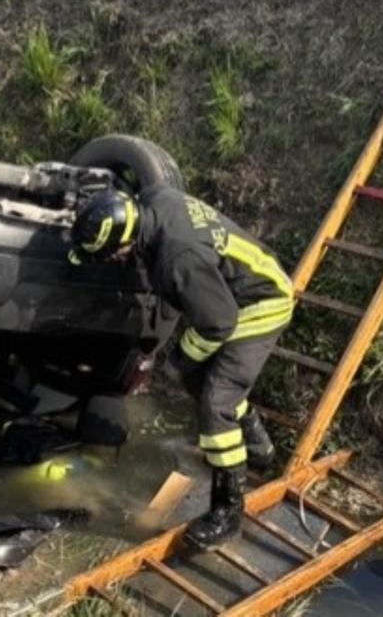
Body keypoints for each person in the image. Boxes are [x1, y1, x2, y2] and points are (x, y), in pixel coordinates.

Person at [67, 185, 293, 549]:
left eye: (110, 256)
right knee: (206, 383)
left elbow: (219, 322)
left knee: (216, 403)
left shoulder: (177, 258)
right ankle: (258, 448)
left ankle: (227, 513)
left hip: (259, 305)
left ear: (122, 245)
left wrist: (176, 362)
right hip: (240, 290)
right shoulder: (153, 201)